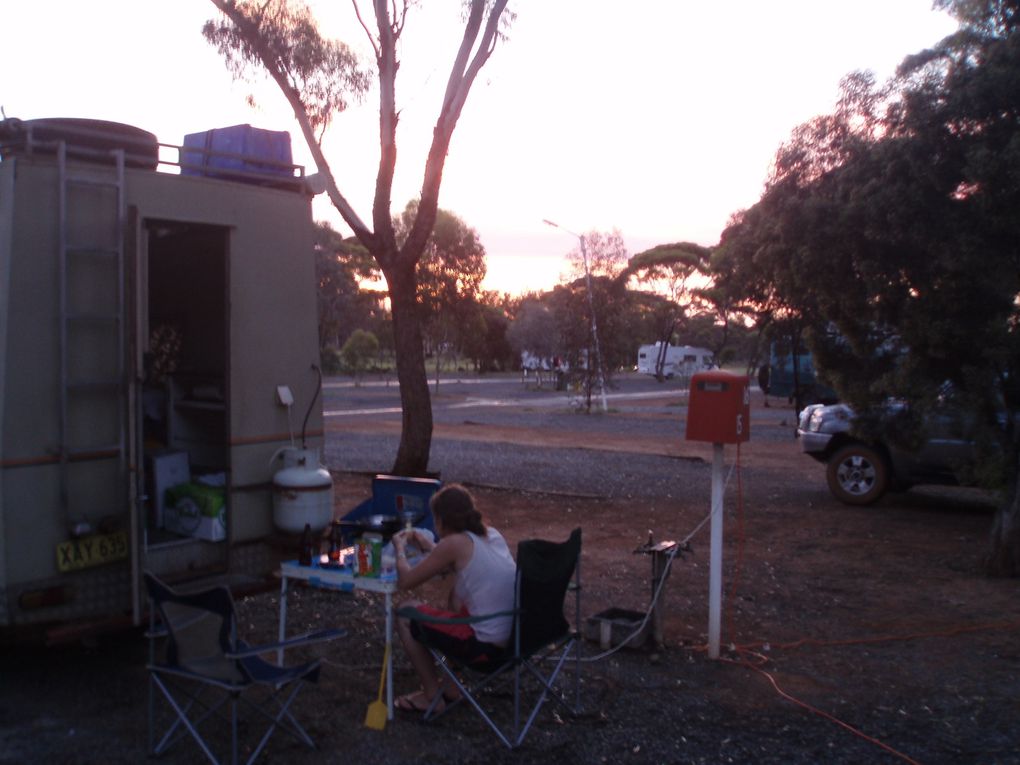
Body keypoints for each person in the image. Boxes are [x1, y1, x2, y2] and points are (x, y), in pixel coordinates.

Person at [391, 484, 516, 713]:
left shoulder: (454, 544)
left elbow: (405, 581)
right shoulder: (491, 534)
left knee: (404, 612)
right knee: (456, 598)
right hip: (514, 640)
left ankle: (431, 696)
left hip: (485, 648)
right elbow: (465, 561)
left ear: (440, 520)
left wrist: (399, 548)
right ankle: (451, 686)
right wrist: (433, 548)